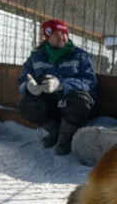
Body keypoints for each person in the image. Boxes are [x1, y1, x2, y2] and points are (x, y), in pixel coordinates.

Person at [17, 19, 97, 155]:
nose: (62, 37)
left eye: (64, 33)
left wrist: (61, 85)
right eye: (55, 33)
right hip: (48, 102)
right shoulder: (36, 56)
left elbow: (89, 81)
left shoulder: (80, 55)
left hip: (70, 100)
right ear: (47, 37)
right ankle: (55, 133)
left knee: (81, 101)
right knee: (25, 104)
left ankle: (65, 138)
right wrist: (29, 88)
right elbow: (23, 79)